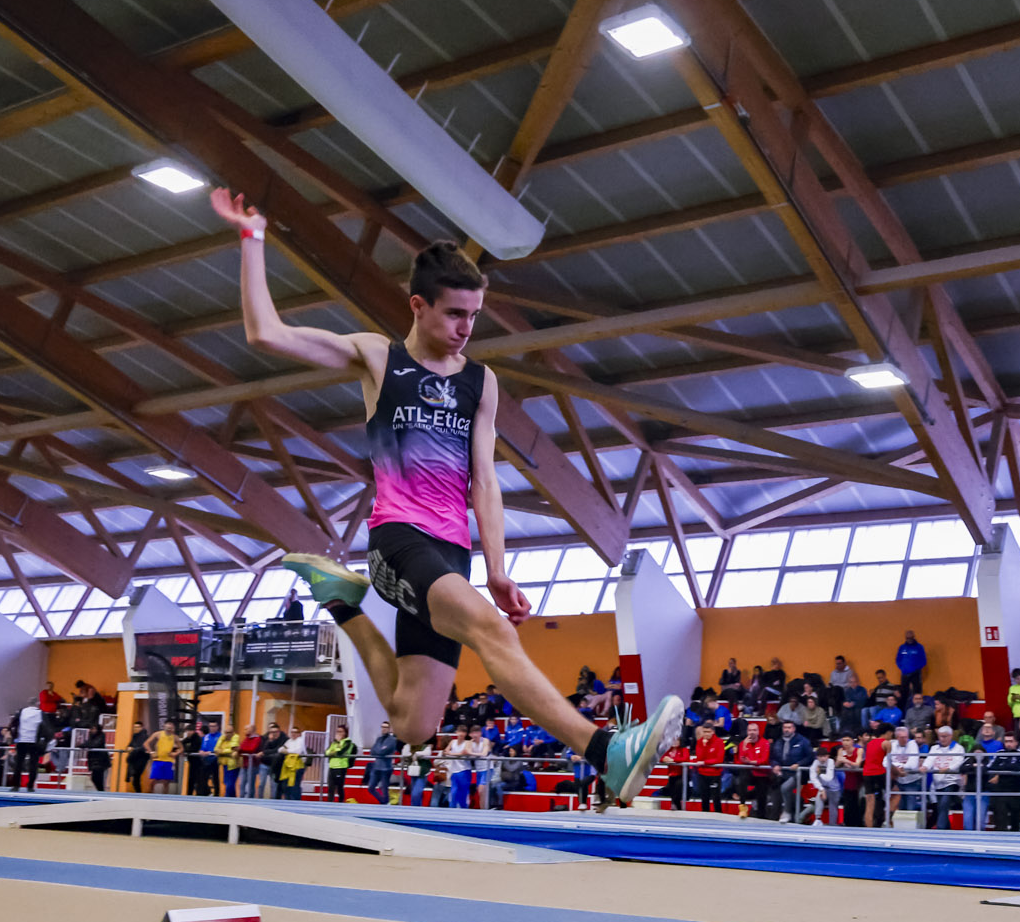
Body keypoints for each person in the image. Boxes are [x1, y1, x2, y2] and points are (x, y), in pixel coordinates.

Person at [214, 192, 683, 808]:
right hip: (397, 540)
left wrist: (497, 570)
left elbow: (484, 480)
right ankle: (606, 751)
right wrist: (252, 238)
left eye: (475, 315)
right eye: (456, 313)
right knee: (492, 631)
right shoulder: (378, 358)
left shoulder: (480, 382)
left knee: (414, 724)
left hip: (450, 554)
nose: (467, 328)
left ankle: (343, 604)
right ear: (419, 305)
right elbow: (265, 333)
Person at [771, 720, 813, 823]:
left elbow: (810, 757)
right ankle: (776, 817)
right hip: (782, 773)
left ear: (794, 729)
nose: (786, 730)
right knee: (776, 793)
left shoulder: (802, 741)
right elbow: (773, 757)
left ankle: (787, 812)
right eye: (785, 727)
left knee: (785, 788)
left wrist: (799, 764)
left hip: (798, 773)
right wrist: (775, 765)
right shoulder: (778, 742)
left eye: (789, 727)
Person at [923, 728, 965, 829]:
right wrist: (925, 766)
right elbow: (930, 759)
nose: (942, 739)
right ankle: (947, 830)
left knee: (943, 805)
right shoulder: (934, 748)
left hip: (952, 782)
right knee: (941, 807)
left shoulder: (958, 748)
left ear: (950, 736)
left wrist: (948, 769)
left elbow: (959, 762)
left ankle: (940, 830)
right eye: (940, 736)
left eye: (945, 736)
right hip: (937, 783)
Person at [365, 721, 402, 801]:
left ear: (389, 729)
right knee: (371, 787)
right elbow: (372, 751)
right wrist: (380, 750)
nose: (383, 729)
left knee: (384, 789)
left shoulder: (392, 740)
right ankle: (383, 802)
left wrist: (378, 751)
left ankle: (385, 802)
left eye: (385, 727)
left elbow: (383, 751)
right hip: (376, 767)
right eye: (382, 727)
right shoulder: (379, 739)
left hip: (386, 768)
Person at [14, 700, 44, 792]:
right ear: (37, 704)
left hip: (22, 740)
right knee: (33, 765)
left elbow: (14, 723)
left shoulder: (21, 711)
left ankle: (16, 786)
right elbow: (45, 727)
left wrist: (15, 736)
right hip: (34, 742)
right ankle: (30, 786)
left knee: (18, 764)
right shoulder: (40, 713)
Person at [143, 720, 180, 794]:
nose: (169, 728)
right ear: (164, 726)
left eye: (171, 727)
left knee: (166, 782)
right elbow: (146, 743)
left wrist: (175, 753)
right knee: (154, 780)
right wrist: (151, 752)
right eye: (168, 726)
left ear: (173, 728)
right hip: (158, 760)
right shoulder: (158, 734)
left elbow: (181, 748)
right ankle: (151, 794)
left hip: (169, 761)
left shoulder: (175, 737)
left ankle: (165, 797)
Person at [324, 726, 358, 803]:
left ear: (345, 733)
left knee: (339, 788)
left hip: (341, 767)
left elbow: (340, 753)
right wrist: (333, 751)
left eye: (340, 731)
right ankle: (329, 804)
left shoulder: (348, 743)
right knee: (330, 788)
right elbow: (326, 752)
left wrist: (334, 750)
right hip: (332, 766)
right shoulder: (334, 743)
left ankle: (341, 803)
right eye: (337, 731)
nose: (338, 733)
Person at [897, 629, 927, 696]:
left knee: (917, 692)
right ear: (905, 638)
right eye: (907, 638)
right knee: (904, 693)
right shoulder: (902, 647)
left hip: (915, 673)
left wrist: (917, 668)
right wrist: (902, 668)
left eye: (910, 638)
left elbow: (923, 660)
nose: (909, 640)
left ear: (914, 637)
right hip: (905, 673)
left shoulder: (919, 647)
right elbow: (898, 659)